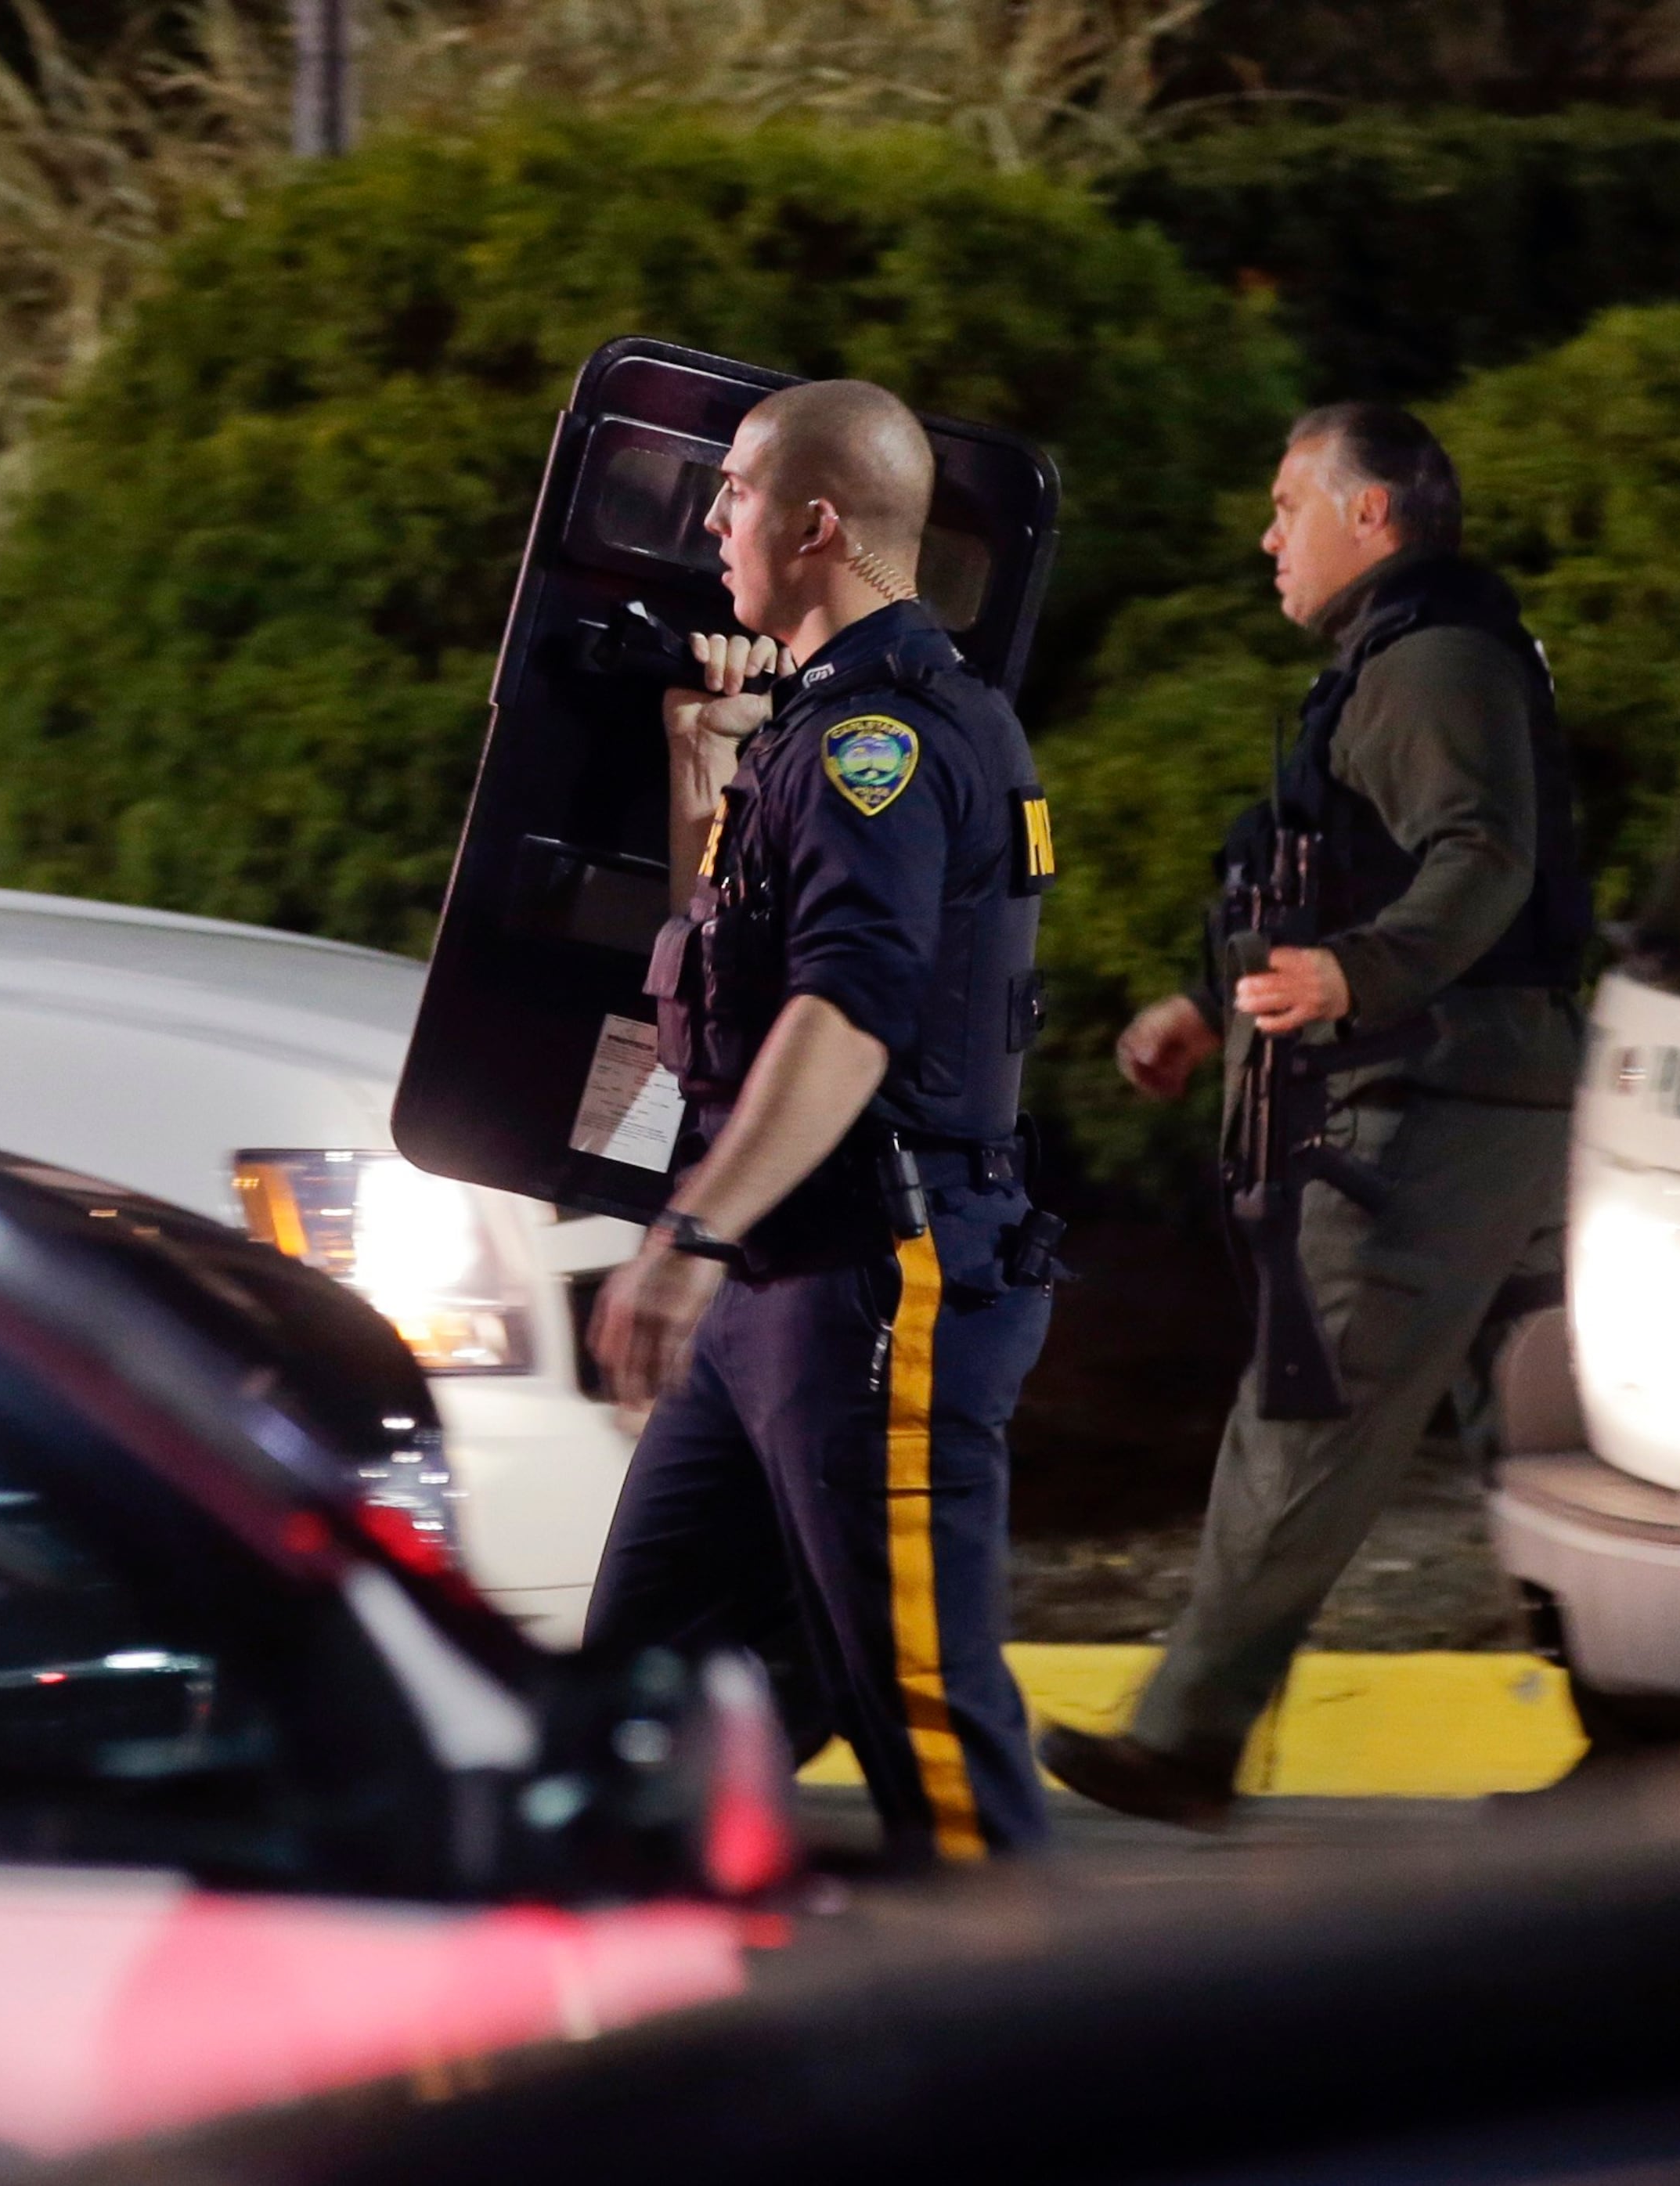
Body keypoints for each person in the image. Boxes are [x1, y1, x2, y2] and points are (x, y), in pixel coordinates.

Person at [1040, 403, 1589, 1829]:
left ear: (1376, 516)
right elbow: (1324, 881)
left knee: (1314, 1400)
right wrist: (1210, 999)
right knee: (1545, 1444)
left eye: (1291, 504)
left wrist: (1360, 976)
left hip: (1426, 1114)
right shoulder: (1410, 659)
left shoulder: (1429, 663)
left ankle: (1184, 1737)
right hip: (1480, 1095)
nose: (1266, 534)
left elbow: (1480, 858)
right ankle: (1639, 1736)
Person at [583, 377, 1062, 1867]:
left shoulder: (885, 745)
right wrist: (697, 776)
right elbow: (727, 986)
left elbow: (848, 1016)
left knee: (924, 1720)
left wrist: (686, 1236)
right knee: (640, 1706)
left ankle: (1046, 2064)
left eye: (734, 487)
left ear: (817, 520)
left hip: (873, 1274)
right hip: (778, 1289)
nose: (711, 516)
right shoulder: (814, 733)